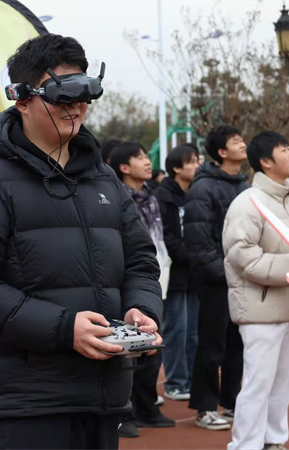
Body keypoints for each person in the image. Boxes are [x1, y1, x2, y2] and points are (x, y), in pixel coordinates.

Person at [0, 34, 163, 450]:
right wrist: (64, 329)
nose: (75, 107)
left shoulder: (104, 180)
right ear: (21, 99)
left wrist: (143, 309)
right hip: (27, 403)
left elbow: (141, 261)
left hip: (105, 396)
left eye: (85, 94)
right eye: (62, 95)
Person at [222, 131, 289, 450]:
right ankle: (245, 445)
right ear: (265, 162)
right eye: (283, 149)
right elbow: (242, 256)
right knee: (258, 383)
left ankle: (274, 440)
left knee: (283, 383)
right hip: (259, 309)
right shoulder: (247, 204)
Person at [108, 142, 175, 437]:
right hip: (131, 284)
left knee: (152, 349)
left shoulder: (150, 196)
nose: (147, 162)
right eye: (140, 158)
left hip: (158, 278)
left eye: (147, 156)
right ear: (123, 167)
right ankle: (125, 413)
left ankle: (147, 408)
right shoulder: (117, 198)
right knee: (128, 351)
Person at [184, 125, 248, 430]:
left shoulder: (244, 185)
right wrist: (226, 272)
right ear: (222, 152)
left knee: (238, 344)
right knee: (212, 345)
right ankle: (205, 407)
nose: (243, 144)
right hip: (216, 280)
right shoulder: (203, 188)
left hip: (243, 279)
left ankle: (232, 402)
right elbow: (198, 241)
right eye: (236, 142)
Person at [155, 144, 200, 404]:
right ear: (176, 168)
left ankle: (191, 380)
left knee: (193, 331)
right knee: (176, 330)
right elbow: (167, 236)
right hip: (174, 274)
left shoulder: (194, 194)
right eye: (191, 162)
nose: (196, 165)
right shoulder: (163, 196)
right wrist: (190, 255)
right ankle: (175, 382)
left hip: (194, 273)